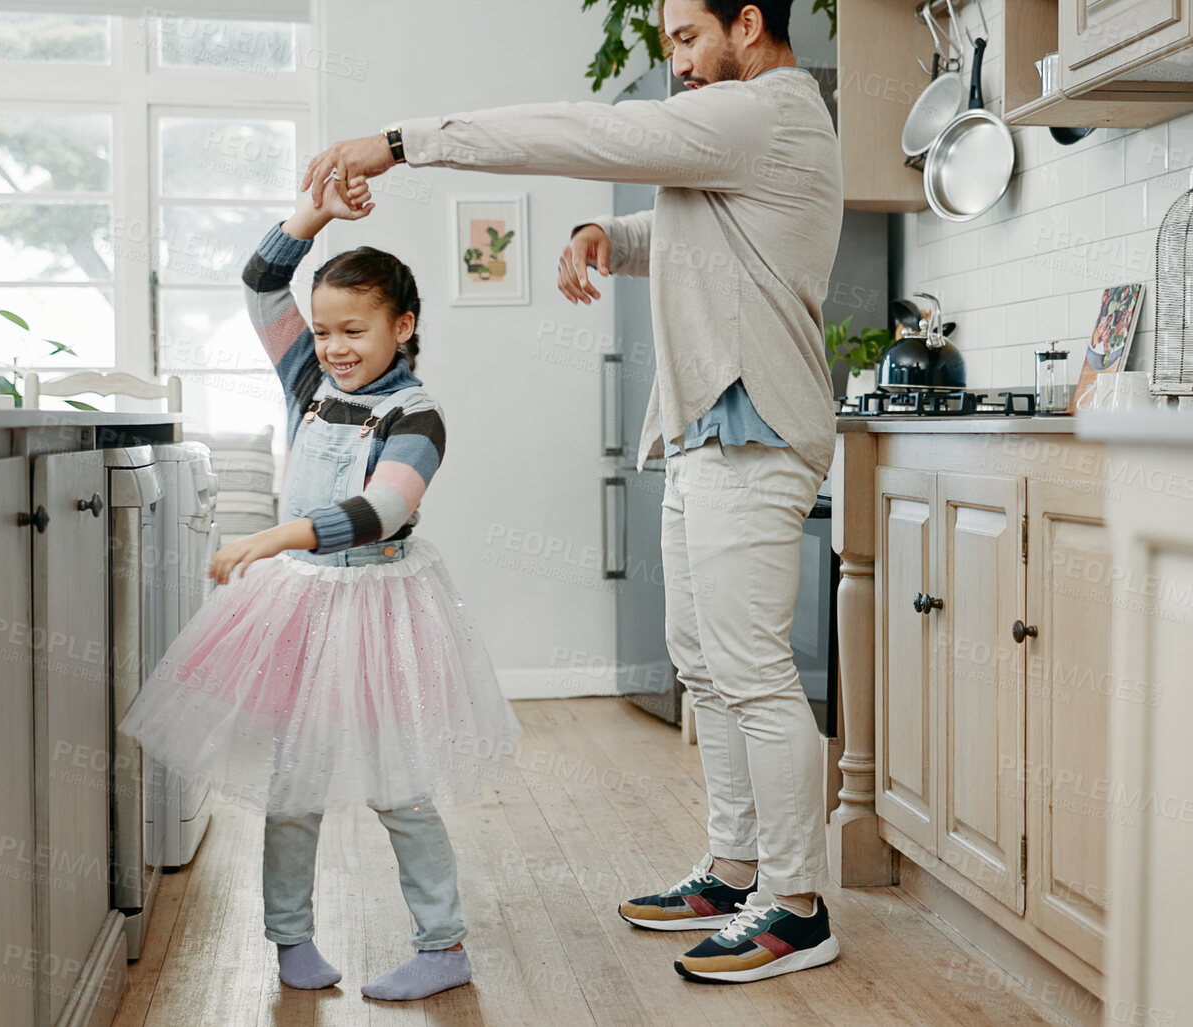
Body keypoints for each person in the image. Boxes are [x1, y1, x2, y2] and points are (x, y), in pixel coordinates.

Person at [303, 0, 844, 984]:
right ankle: (731, 874)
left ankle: (798, 905)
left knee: (753, 671)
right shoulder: (741, 132)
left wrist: (401, 143)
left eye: (686, 38)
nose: (676, 61)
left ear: (751, 24)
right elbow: (707, 235)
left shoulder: (763, 111)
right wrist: (609, 234)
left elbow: (582, 128)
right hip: (707, 430)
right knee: (706, 666)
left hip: (757, 431)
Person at [117, 180, 519, 1002]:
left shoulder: (417, 414)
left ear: (402, 327)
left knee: (400, 787)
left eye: (354, 330)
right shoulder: (308, 379)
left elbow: (382, 509)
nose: (333, 345)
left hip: (378, 607)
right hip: (298, 604)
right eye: (326, 329)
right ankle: (290, 937)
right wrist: (318, 212)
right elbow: (263, 282)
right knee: (292, 784)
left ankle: (442, 945)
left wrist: (273, 536)